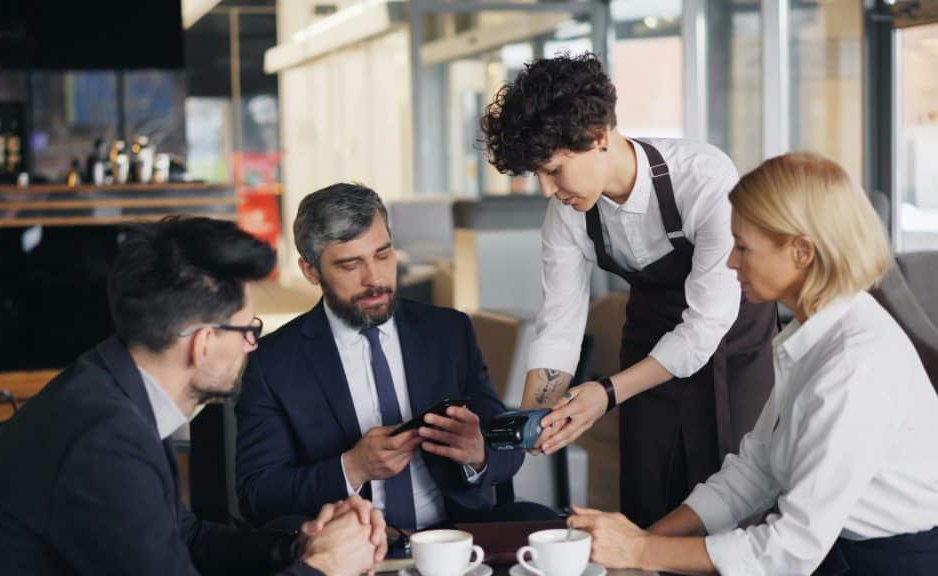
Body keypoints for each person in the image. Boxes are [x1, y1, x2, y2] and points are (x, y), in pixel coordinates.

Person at [0, 216, 387, 576]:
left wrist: (297, 545)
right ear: (202, 343)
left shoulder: (113, 383)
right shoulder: (104, 442)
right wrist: (323, 568)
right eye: (249, 330)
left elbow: (179, 535)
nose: (253, 345)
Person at [567, 153, 938, 575]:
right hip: (840, 551)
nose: (730, 261)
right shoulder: (811, 334)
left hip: (894, 563)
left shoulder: (854, 366)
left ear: (801, 251)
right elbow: (756, 470)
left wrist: (639, 553)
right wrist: (644, 543)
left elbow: (789, 549)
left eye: (743, 247)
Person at [479, 52, 778, 527]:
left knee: (732, 499)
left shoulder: (703, 180)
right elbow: (560, 323)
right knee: (649, 494)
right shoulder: (568, 214)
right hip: (649, 343)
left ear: (598, 137)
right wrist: (538, 417)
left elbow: (704, 328)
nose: (547, 190)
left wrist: (604, 393)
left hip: (729, 346)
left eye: (553, 170)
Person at [235, 183, 553, 532]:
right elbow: (258, 495)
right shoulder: (272, 363)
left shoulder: (448, 332)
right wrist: (352, 467)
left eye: (383, 255)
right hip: (351, 551)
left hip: (455, 540)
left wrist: (478, 452)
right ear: (311, 271)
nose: (374, 279)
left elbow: (507, 446)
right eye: (350, 264)